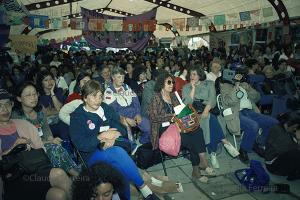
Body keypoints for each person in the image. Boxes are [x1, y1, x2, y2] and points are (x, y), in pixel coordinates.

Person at [69, 80, 159, 200]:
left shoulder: (106, 108)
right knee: (118, 154)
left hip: (112, 148)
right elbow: (81, 144)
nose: (98, 100)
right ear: (85, 98)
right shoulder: (78, 116)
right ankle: (144, 189)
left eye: (100, 96)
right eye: (93, 96)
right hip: (91, 155)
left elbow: (121, 128)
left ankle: (126, 197)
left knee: (120, 167)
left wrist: (114, 136)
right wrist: (101, 137)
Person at [0, 89, 71, 200]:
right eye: (0, 105)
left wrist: (31, 146)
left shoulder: (24, 124)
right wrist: (13, 148)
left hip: (33, 173)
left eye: (7, 104)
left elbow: (41, 150)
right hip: (12, 179)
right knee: (58, 174)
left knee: (59, 195)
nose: (5, 109)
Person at [148, 72, 213, 183]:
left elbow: (181, 111)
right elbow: (154, 118)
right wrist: (171, 117)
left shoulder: (174, 95)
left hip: (179, 125)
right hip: (164, 129)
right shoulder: (156, 98)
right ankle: (196, 170)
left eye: (172, 82)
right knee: (191, 139)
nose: (171, 84)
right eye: (168, 82)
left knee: (197, 130)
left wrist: (184, 114)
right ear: (161, 84)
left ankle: (202, 160)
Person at [12, 82, 79, 176]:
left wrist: (52, 140)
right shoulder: (16, 117)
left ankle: (71, 172)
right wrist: (50, 143)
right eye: (28, 95)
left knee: (59, 144)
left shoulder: (39, 110)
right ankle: (76, 174)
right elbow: (28, 142)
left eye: (35, 94)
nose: (33, 97)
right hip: (30, 149)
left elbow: (46, 130)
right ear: (19, 98)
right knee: (54, 149)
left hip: (45, 143)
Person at [182, 66, 239, 169]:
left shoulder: (209, 84)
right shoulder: (186, 87)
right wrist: (193, 88)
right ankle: (224, 143)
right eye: (190, 74)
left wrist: (206, 110)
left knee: (208, 118)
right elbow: (187, 104)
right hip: (191, 114)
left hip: (207, 110)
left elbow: (212, 99)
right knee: (210, 119)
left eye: (194, 74)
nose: (192, 76)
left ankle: (213, 153)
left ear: (200, 75)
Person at [219, 69, 279, 163]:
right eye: (237, 75)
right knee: (253, 125)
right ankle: (243, 150)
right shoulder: (226, 86)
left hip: (250, 112)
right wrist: (236, 86)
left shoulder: (245, 85)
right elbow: (229, 102)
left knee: (274, 122)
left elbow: (257, 98)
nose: (239, 77)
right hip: (236, 113)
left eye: (240, 76)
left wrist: (249, 89)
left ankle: (259, 142)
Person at [103, 67, 151, 144]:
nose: (121, 79)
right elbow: (115, 110)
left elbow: (135, 101)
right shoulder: (109, 92)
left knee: (149, 128)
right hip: (121, 118)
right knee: (129, 139)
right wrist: (126, 119)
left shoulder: (126, 86)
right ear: (113, 77)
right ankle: (132, 148)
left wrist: (138, 114)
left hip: (134, 114)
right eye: (119, 77)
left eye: (123, 77)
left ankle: (142, 143)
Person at [265, 112, 300, 181]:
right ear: (287, 124)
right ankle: (294, 173)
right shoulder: (278, 132)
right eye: (294, 127)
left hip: (278, 159)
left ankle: (294, 172)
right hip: (273, 166)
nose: (295, 129)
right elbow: (288, 148)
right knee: (297, 153)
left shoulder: (282, 128)